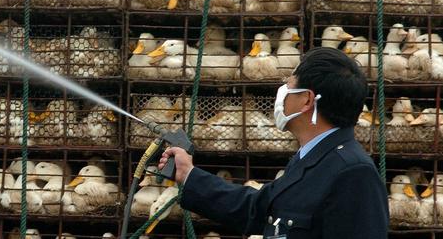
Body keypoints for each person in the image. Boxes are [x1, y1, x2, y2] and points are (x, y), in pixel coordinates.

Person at [158, 47, 389, 238]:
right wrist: (188, 174)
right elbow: (256, 209)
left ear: (307, 100)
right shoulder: (310, 159)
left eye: (288, 86)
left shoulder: (353, 173)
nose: (282, 94)